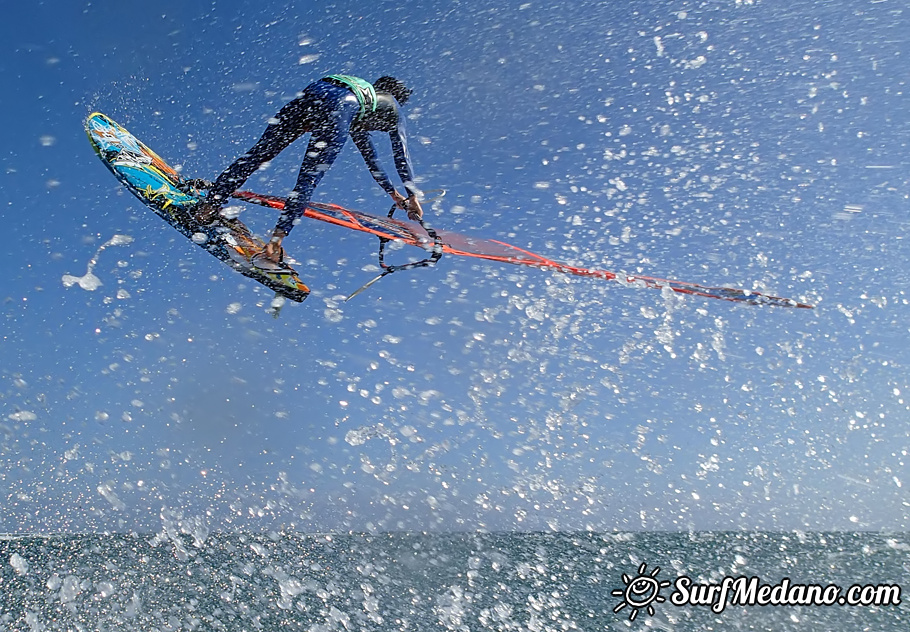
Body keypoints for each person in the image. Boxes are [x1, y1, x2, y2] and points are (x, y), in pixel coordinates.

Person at [194, 74, 424, 272]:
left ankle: (209, 205)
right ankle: (274, 245)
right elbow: (400, 154)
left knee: (257, 155)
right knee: (308, 179)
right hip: (338, 107)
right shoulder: (393, 108)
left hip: (312, 93)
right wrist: (412, 194)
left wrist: (394, 194)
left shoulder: (364, 97)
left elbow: (370, 157)